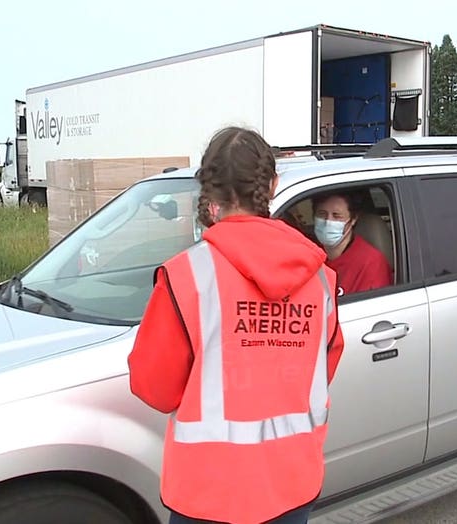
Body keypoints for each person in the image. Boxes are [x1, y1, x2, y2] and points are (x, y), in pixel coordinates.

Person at [127, 126, 344, 524]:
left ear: (208, 193)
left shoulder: (186, 276)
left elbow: (153, 386)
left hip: (207, 494)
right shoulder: (321, 279)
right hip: (292, 484)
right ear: (274, 184)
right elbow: (322, 369)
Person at [312, 192, 392, 296]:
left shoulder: (370, 263)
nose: (328, 222)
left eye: (337, 216)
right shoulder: (309, 253)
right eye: (322, 214)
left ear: (353, 220)